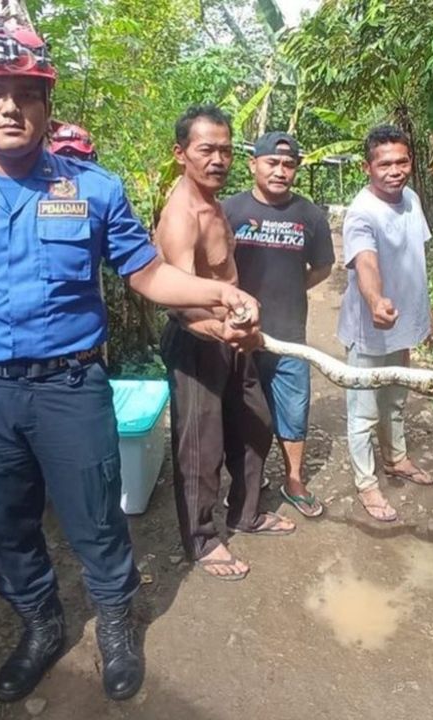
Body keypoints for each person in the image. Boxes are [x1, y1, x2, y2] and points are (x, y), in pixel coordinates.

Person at [0, 21, 260, 703]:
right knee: (2, 524)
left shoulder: (93, 191)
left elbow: (148, 276)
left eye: (26, 92)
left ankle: (116, 622)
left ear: (46, 104)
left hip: (69, 387)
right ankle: (40, 625)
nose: (10, 106)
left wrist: (219, 289)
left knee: (95, 516)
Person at [156, 105, 297, 583]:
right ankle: (201, 538)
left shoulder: (214, 202)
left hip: (233, 338)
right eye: (206, 150)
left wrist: (239, 331)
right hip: (199, 341)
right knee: (201, 445)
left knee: (257, 424)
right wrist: (221, 331)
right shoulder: (182, 215)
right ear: (181, 154)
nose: (218, 159)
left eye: (225, 150)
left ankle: (247, 513)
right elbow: (178, 299)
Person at [223, 131, 335, 518]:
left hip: (289, 333)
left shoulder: (309, 215)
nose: (280, 170)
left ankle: (294, 479)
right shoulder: (230, 211)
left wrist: (291, 287)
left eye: (289, 164)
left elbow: (323, 267)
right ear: (253, 164)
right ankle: (246, 481)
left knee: (294, 406)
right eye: (272, 162)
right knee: (241, 410)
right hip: (239, 334)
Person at [337, 125, 433, 523]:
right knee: (363, 413)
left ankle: (396, 460)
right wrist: (376, 299)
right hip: (369, 330)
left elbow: (416, 261)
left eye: (402, 161)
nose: (395, 170)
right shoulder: (361, 213)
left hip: (403, 325)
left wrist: (426, 311)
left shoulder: (411, 199)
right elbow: (366, 262)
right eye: (385, 164)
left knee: (395, 400)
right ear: (368, 167)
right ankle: (367, 484)